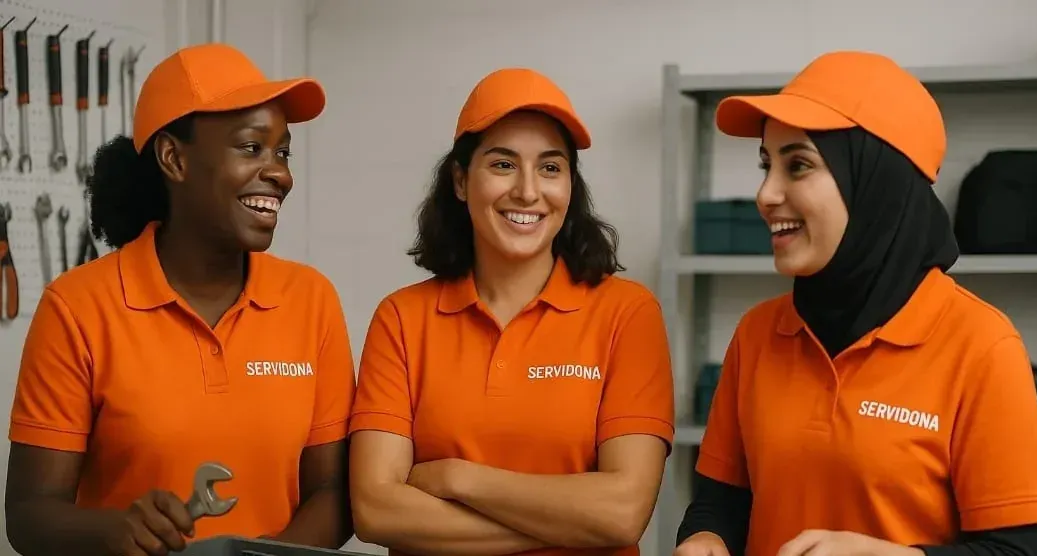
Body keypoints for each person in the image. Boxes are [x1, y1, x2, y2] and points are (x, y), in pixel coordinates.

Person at [673, 50, 1037, 556]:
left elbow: (1015, 551)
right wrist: (704, 539)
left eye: (798, 165)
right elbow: (721, 501)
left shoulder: (983, 345)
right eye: (767, 165)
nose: (765, 194)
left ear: (876, 183)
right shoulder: (757, 333)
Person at [5, 43, 356, 556]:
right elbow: (29, 514)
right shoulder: (77, 308)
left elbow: (332, 492)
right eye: (251, 147)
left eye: (282, 151)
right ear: (174, 158)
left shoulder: (311, 300)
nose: (280, 174)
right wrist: (113, 530)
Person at [347, 67, 675, 556]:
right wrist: (563, 527)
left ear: (570, 184)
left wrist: (459, 478)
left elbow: (623, 514)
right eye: (502, 165)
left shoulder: (627, 313)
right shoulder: (401, 318)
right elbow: (376, 511)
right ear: (460, 180)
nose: (527, 191)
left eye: (550, 167)